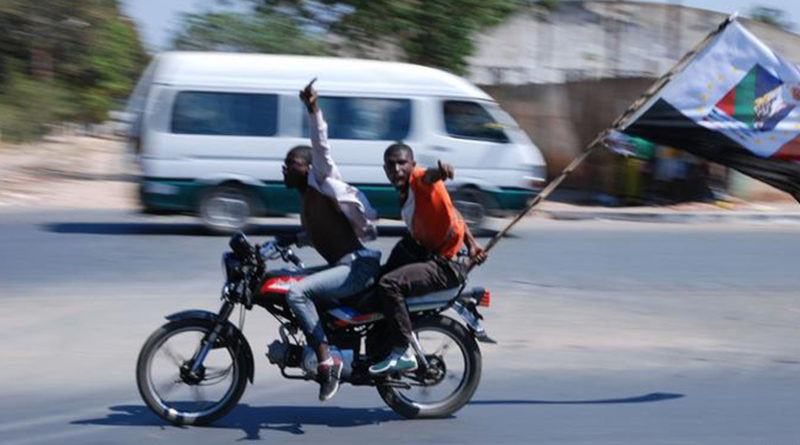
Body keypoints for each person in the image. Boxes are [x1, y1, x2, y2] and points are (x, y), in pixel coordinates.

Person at [281, 79, 381, 400]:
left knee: (297, 294)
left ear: (307, 168)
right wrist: (285, 241)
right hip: (346, 266)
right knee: (289, 283)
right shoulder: (306, 201)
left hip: (357, 268)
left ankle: (327, 361)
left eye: (290, 164)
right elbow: (318, 234)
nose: (284, 169)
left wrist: (313, 111)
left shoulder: (321, 179)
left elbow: (321, 146)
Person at [369, 143, 487, 374]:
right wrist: (472, 244)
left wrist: (441, 173)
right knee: (374, 283)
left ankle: (403, 351)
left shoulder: (420, 180)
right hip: (429, 253)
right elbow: (453, 212)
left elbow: (429, 177)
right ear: (384, 169)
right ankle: (376, 345)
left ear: (412, 165)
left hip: (446, 266)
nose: (397, 169)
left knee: (388, 285)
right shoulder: (405, 193)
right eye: (391, 165)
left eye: (402, 163)